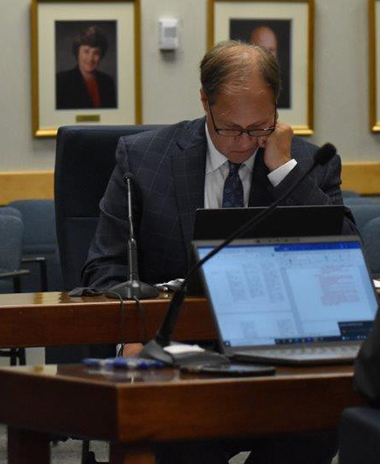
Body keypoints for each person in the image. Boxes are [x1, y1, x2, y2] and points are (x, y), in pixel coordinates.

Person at [81, 40, 351, 463]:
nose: (244, 143)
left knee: (318, 426)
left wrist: (283, 171)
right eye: (229, 127)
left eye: (259, 126)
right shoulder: (144, 159)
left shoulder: (307, 163)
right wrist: (132, 338)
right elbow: (105, 266)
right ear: (205, 101)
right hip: (179, 367)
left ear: (276, 107)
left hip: (281, 364)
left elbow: (343, 257)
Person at [55, 25, 117, 109]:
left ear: (101, 56)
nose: (91, 58)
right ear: (77, 53)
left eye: (96, 53)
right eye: (86, 51)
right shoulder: (61, 81)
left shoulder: (107, 81)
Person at [248, 24, 290, 109]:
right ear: (249, 49)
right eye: (262, 49)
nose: (267, 55)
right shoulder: (236, 82)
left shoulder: (287, 86)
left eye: (271, 50)